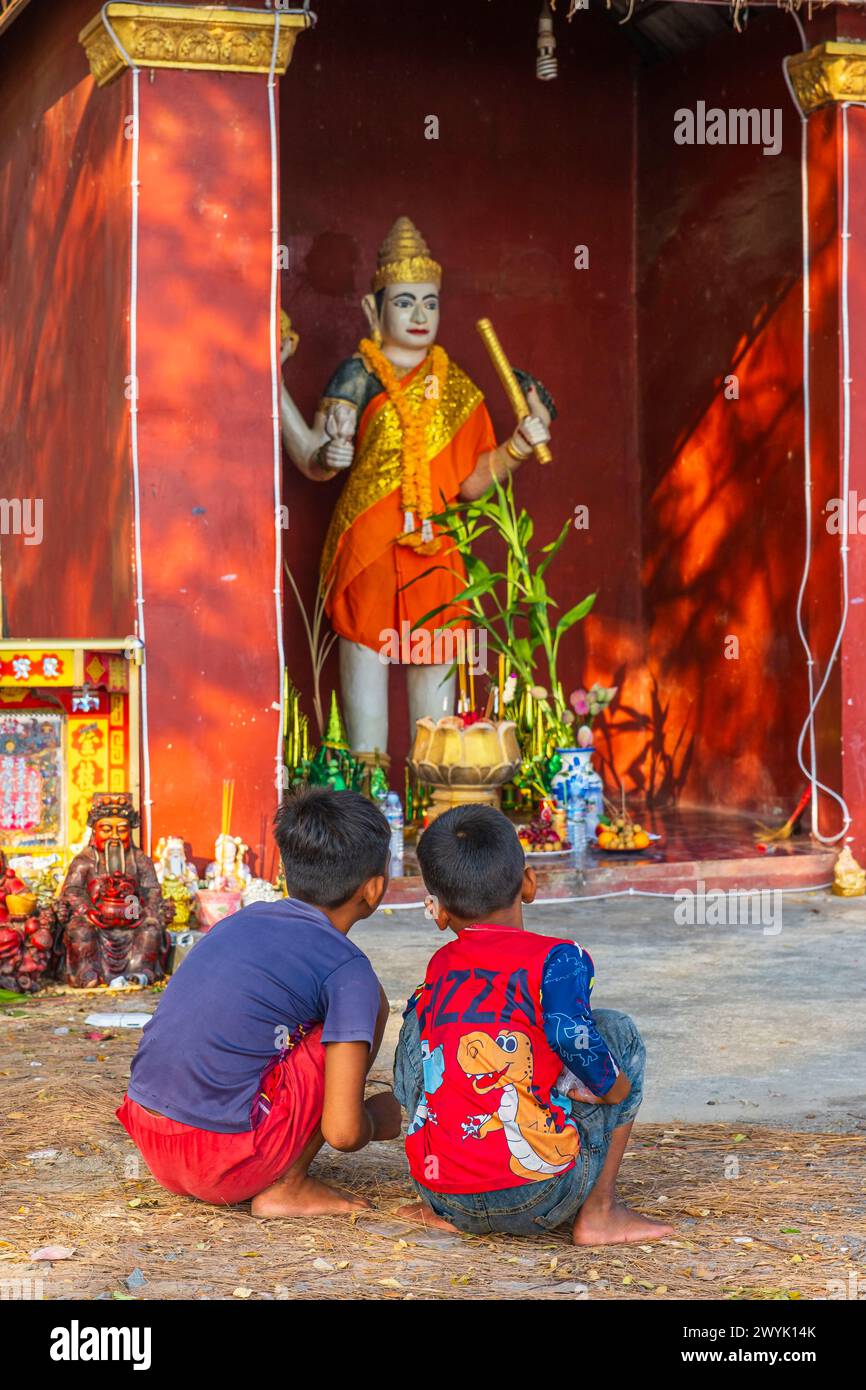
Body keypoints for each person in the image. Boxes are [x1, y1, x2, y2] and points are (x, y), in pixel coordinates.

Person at [393, 804, 674, 1245]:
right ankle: (599, 1212)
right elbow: (569, 1034)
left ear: (440, 912)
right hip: (540, 1195)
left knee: (420, 1022)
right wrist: (615, 1089)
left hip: (447, 1195)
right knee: (616, 1030)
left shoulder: (440, 963)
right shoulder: (559, 959)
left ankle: (432, 1199)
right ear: (529, 884)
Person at [116, 785, 402, 1216]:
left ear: (287, 873)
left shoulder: (238, 921)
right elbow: (343, 1133)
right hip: (222, 1163)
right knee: (365, 1006)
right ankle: (289, 1185)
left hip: (150, 1137)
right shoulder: (349, 971)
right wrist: (376, 1120)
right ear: (375, 889)